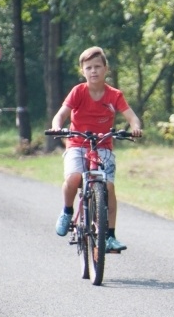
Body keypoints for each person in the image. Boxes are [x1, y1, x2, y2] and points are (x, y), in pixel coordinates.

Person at [50, 46, 143, 251]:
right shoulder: (78, 92)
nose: (94, 71)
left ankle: (109, 235)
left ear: (106, 69)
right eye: (89, 67)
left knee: (108, 187)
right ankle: (67, 211)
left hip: (103, 145)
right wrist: (58, 126)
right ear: (83, 71)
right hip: (77, 143)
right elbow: (61, 114)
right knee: (74, 177)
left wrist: (135, 128)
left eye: (98, 67)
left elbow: (132, 117)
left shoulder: (114, 95)